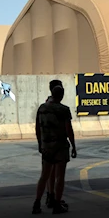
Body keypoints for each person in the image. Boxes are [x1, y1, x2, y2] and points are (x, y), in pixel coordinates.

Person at [33, 85, 77, 214]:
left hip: (46, 146)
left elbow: (37, 128)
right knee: (60, 176)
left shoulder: (42, 108)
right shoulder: (63, 110)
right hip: (60, 147)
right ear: (62, 96)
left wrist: (40, 143)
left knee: (44, 176)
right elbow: (69, 130)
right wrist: (73, 146)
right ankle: (57, 204)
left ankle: (37, 203)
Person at [43, 79, 68, 210]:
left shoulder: (45, 106)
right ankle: (55, 198)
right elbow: (67, 128)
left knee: (49, 173)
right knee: (58, 174)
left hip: (47, 144)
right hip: (58, 144)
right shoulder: (59, 108)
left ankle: (50, 195)